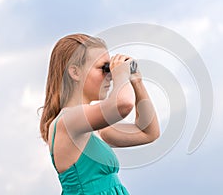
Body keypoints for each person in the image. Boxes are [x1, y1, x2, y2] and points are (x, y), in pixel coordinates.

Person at [39, 33, 160, 194]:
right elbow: (123, 104)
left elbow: (149, 132)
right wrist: (121, 74)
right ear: (75, 72)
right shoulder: (68, 121)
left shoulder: (95, 130)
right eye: (104, 68)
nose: (110, 75)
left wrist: (136, 82)